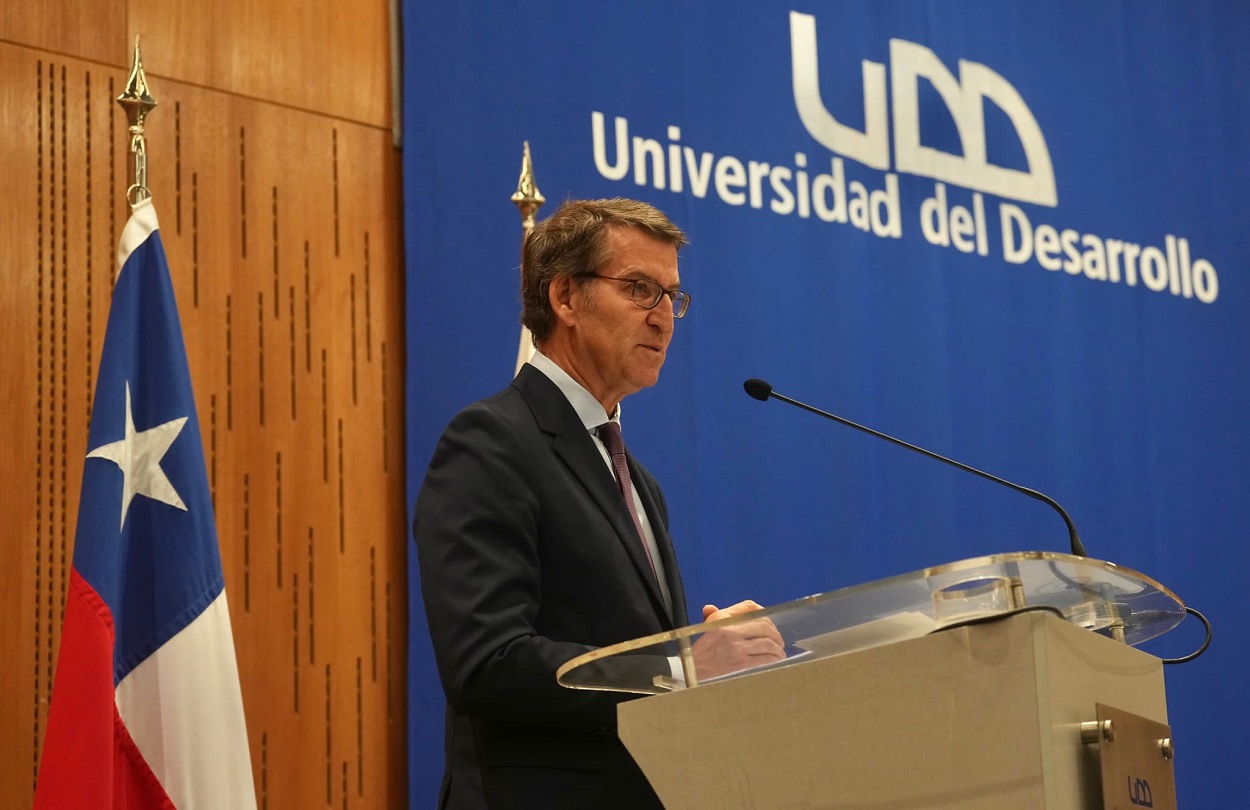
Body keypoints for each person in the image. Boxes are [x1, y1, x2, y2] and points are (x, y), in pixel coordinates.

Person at [414, 198, 784, 809]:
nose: (665, 318)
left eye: (673, 296)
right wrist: (680, 667)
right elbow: (487, 662)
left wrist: (708, 662)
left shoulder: (640, 482)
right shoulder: (492, 442)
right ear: (565, 299)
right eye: (640, 289)